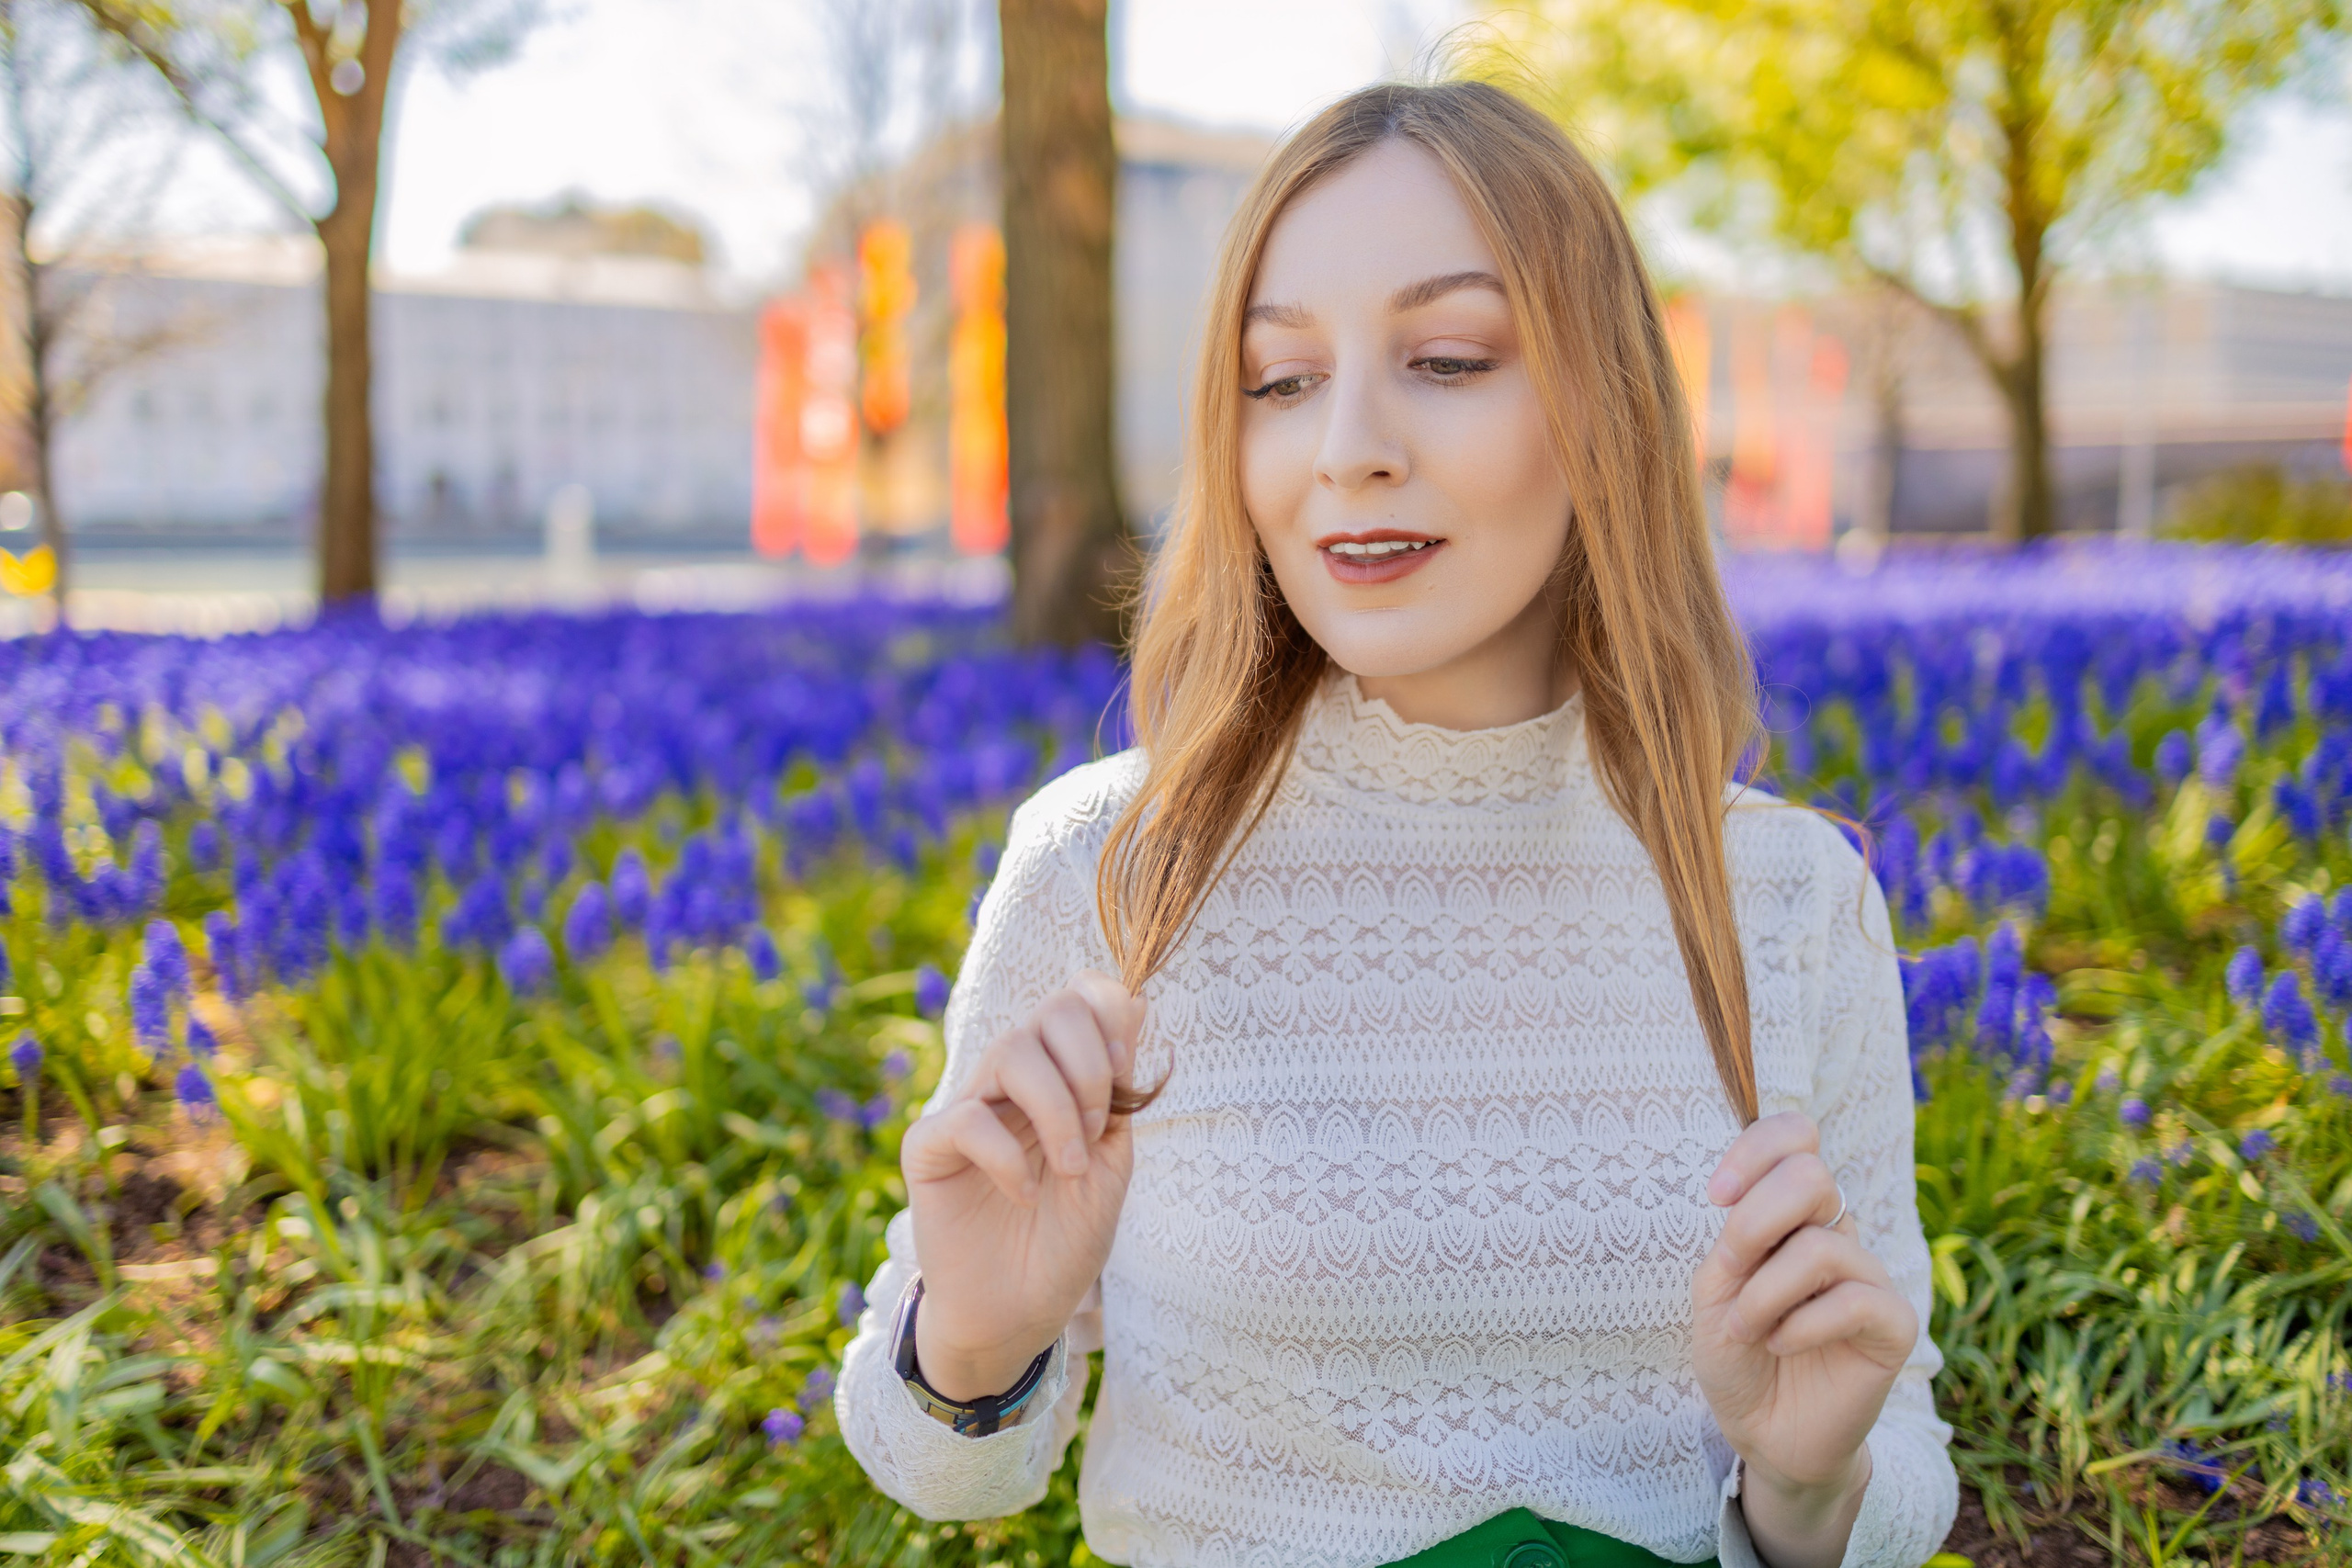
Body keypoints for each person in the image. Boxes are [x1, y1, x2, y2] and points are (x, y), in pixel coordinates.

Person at [836, 79, 1957, 1568]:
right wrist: (974, 1340)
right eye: (1281, 380)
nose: (1347, 447)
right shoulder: (1112, 867)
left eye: (1446, 360)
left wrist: (1803, 1491)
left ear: (1604, 407)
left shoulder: (1791, 898)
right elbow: (940, 1471)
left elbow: (1896, 1446)